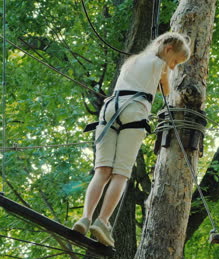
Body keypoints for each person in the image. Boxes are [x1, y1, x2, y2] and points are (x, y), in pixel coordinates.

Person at [72, 32, 191, 247]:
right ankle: (102, 221)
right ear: (168, 49)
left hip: (109, 110)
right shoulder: (160, 63)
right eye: (175, 61)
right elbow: (166, 90)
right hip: (134, 111)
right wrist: (165, 75)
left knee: (102, 171)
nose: (173, 67)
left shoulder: (132, 60)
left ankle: (85, 217)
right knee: (121, 174)